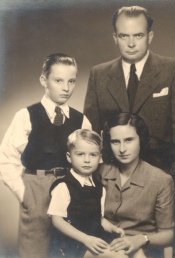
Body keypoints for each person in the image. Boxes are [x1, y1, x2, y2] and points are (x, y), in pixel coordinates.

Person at [84, 5, 175, 195]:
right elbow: (90, 133)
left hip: (160, 180)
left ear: (149, 37)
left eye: (138, 35)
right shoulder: (99, 75)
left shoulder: (173, 70)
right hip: (110, 182)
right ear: (115, 38)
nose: (131, 43)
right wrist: (95, 177)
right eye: (123, 36)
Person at [0, 53, 91, 258]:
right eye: (58, 80)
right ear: (44, 80)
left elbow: (91, 160)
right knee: (36, 251)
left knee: (69, 249)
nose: (66, 88)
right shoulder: (26, 115)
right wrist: (25, 195)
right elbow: (6, 158)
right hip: (36, 189)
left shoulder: (81, 121)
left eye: (71, 81)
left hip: (70, 188)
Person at [97, 112, 175, 258]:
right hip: (105, 247)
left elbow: (168, 235)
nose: (122, 149)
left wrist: (141, 239)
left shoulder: (161, 180)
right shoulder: (100, 172)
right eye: (115, 142)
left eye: (129, 140)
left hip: (143, 250)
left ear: (141, 140)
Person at [47, 129, 129, 258]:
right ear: (69, 157)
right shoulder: (63, 186)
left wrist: (113, 228)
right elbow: (57, 221)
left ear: (100, 157)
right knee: (119, 256)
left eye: (93, 155)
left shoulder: (99, 187)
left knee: (132, 251)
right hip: (73, 243)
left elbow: (99, 219)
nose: (87, 160)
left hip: (94, 237)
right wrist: (86, 239)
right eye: (80, 154)